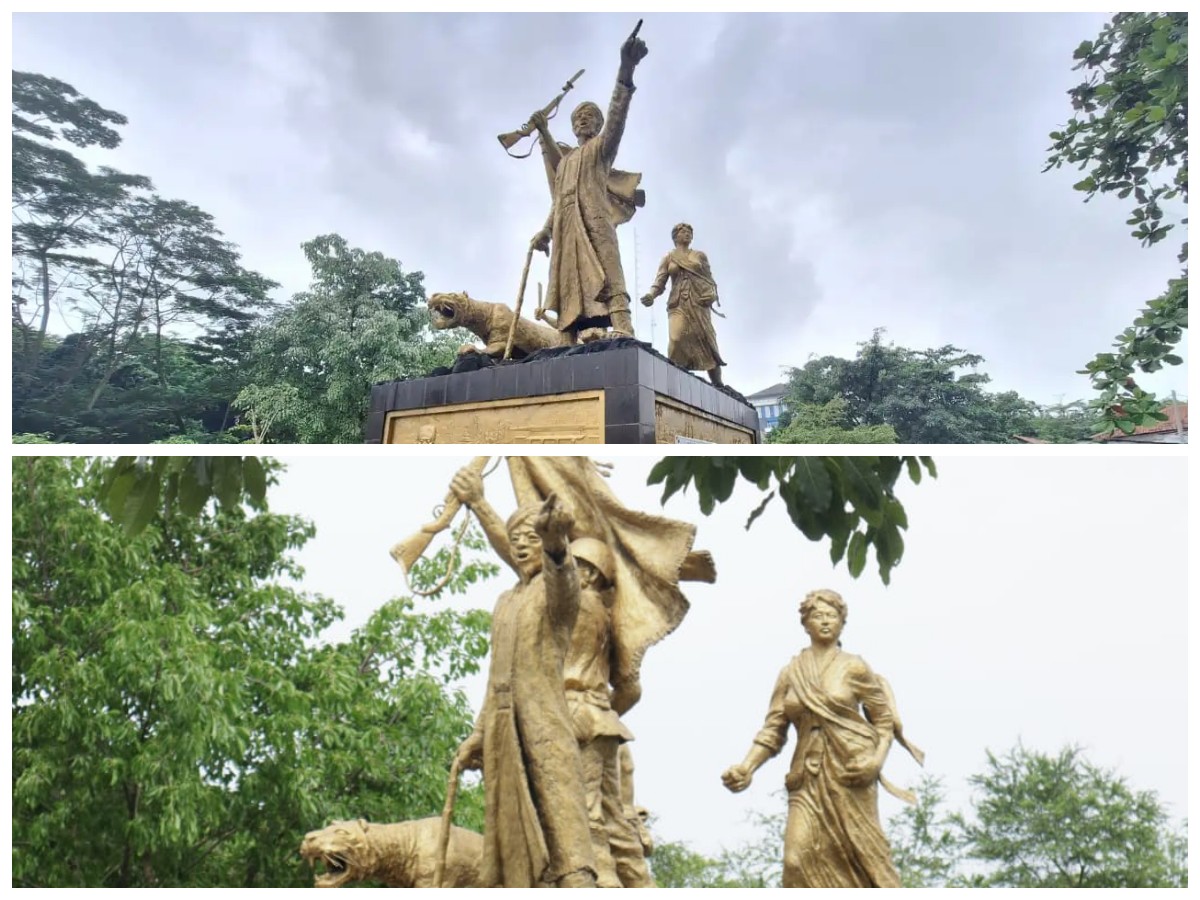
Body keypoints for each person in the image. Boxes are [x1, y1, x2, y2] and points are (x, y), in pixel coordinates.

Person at [451, 470, 596, 888]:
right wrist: (479, 733)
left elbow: (562, 577)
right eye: (515, 541)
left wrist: (553, 544)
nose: (519, 546)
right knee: (511, 840)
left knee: (562, 827)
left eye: (529, 540)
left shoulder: (555, 599)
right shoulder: (505, 601)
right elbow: (496, 675)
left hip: (544, 726)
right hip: (502, 731)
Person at [721, 589, 922, 888]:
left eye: (832, 616)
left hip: (851, 771)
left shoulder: (854, 666)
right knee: (795, 860)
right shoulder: (791, 673)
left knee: (862, 856)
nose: (825, 622)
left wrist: (875, 763)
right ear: (805, 623)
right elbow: (774, 729)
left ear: (842, 622)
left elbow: (883, 721)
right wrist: (746, 767)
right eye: (817, 616)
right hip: (807, 776)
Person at [527, 26, 649, 343]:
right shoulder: (566, 162)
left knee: (609, 271)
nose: (583, 120)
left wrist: (626, 70)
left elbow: (617, 117)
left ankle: (623, 326)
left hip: (595, 222)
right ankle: (567, 336)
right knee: (566, 279)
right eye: (578, 117)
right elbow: (559, 199)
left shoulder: (600, 149)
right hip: (567, 228)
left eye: (589, 116)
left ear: (597, 124)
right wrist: (545, 229)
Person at [562, 537, 638, 888]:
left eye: (573, 566)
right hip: (602, 722)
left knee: (584, 811)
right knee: (616, 817)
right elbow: (631, 689)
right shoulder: (609, 615)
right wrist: (603, 708)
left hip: (578, 716)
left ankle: (603, 883)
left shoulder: (577, 607)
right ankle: (639, 883)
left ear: (590, 575)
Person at [640, 222, 726, 386]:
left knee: (707, 340)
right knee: (676, 338)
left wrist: (712, 295)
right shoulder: (669, 257)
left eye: (690, 232)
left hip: (699, 303)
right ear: (675, 236)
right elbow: (660, 281)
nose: (688, 234)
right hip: (678, 303)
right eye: (684, 231)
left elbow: (709, 280)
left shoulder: (700, 256)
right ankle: (672, 380)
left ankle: (717, 382)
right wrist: (651, 295)